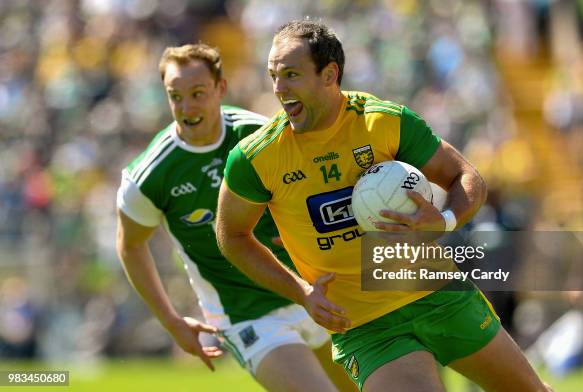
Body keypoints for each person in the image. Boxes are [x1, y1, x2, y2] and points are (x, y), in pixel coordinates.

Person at [217, 20, 552, 391]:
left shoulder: (382, 121)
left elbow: (466, 177)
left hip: (439, 295)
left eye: (291, 75)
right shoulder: (256, 157)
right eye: (273, 76)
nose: (279, 89)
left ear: (329, 74)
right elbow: (231, 234)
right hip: (365, 325)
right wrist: (301, 291)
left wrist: (443, 220)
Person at [115, 43, 356, 392]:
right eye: (175, 96)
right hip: (247, 313)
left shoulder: (259, 136)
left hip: (314, 291)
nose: (186, 107)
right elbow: (130, 245)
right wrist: (171, 320)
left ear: (221, 89)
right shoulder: (150, 174)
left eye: (197, 93)